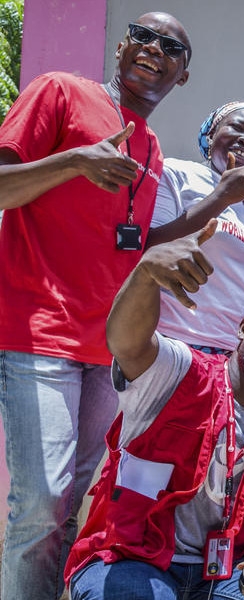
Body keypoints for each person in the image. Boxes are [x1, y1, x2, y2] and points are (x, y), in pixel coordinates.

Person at [0, 12, 190, 599]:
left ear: (183, 74)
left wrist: (216, 210)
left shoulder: (152, 146)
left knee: (74, 496)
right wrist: (75, 160)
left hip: (103, 345)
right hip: (37, 330)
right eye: (145, 36)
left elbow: (130, 245)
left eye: (172, 48)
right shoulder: (60, 91)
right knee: (43, 499)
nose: (155, 50)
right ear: (121, 46)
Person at [65, 222, 244, 600]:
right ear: (243, 328)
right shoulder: (181, 372)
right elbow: (127, 344)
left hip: (218, 575)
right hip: (133, 558)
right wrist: (146, 272)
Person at [148, 101, 244, 354]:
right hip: (179, 343)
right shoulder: (178, 173)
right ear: (210, 136)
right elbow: (150, 246)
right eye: (237, 128)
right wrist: (222, 196)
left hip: (235, 356)